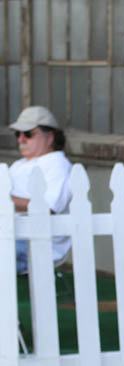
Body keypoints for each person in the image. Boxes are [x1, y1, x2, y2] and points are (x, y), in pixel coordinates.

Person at [7, 105, 73, 272]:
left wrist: (6, 200)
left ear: (49, 137)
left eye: (28, 134)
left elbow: (48, 207)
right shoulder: (19, 164)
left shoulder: (57, 164)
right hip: (11, 233)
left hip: (35, 242)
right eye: (18, 134)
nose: (21, 139)